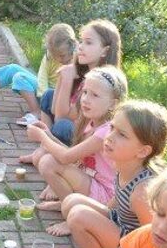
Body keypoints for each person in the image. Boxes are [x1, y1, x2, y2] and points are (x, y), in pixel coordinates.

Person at [58, 100, 167, 248]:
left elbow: (153, 241)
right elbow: (116, 200)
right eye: (112, 128)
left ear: (143, 151)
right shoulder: (125, 165)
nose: (109, 137)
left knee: (78, 217)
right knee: (72, 202)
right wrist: (99, 217)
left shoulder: (142, 190)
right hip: (121, 229)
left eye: (122, 134)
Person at [25, 66, 128, 236]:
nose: (86, 99)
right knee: (45, 155)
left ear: (113, 103)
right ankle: (65, 203)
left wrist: (42, 137)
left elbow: (66, 157)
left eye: (95, 95)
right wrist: (48, 135)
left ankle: (72, 217)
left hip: (105, 196)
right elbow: (73, 155)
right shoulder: (91, 122)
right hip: (91, 180)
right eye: (85, 92)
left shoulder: (106, 131)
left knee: (49, 162)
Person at [19, 18, 121, 153]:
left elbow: (60, 117)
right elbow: (54, 109)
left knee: (62, 126)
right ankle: (44, 148)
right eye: (81, 41)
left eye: (88, 42)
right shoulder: (84, 73)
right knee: (48, 95)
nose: (81, 47)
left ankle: (50, 150)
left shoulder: (98, 83)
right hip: (74, 128)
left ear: (105, 51)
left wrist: (67, 80)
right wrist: (63, 75)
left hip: (87, 140)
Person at [0, 23, 76, 126]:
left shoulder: (78, 59)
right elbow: (42, 77)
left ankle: (36, 113)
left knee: (19, 78)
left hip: (57, 99)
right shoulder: (49, 56)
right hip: (44, 94)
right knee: (12, 69)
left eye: (62, 56)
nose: (58, 59)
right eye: (54, 55)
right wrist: (43, 96)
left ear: (73, 47)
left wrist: (46, 102)